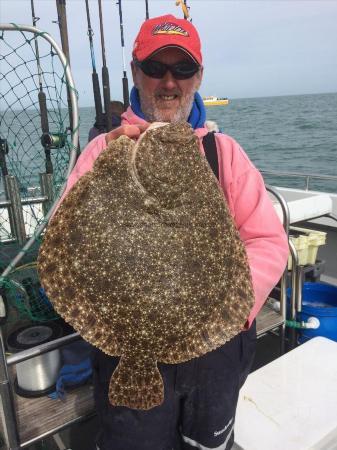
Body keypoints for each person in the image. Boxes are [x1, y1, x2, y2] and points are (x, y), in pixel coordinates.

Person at [57, 14, 288, 450]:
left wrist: (223, 315)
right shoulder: (103, 151)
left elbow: (266, 242)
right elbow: (66, 243)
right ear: (136, 72)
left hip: (216, 351)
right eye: (155, 68)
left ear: (198, 76)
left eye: (182, 70)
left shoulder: (224, 154)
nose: (168, 82)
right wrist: (110, 165)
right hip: (129, 349)